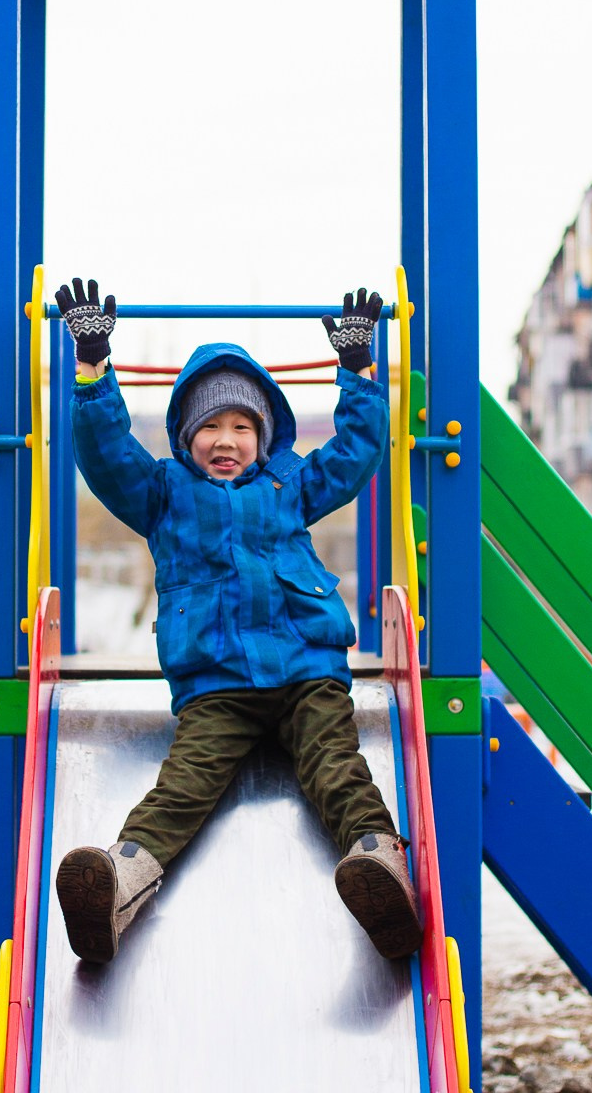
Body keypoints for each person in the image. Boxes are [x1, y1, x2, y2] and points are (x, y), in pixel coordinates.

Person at [53, 277, 423, 965]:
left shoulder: (290, 485)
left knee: (333, 766)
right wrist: (94, 370)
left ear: (264, 435)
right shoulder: (162, 495)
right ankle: (117, 885)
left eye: (242, 427)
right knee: (185, 784)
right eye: (209, 428)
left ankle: (380, 869)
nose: (226, 440)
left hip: (306, 670)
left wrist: (357, 372)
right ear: (185, 437)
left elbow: (353, 455)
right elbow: (105, 455)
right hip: (216, 686)